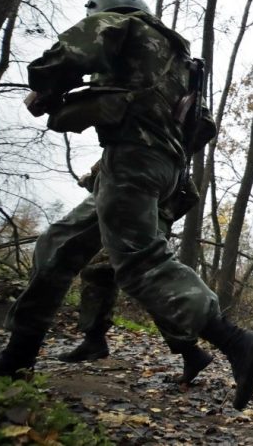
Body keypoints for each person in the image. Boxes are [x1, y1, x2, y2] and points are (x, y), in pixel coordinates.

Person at [0, 0, 253, 411]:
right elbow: (201, 127)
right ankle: (19, 354)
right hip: (159, 166)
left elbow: (68, 55)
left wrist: (46, 85)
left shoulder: (122, 24)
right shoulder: (182, 62)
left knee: (140, 262)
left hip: (133, 159)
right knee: (59, 244)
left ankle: (236, 342)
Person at [56, 164, 214, 386]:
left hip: (138, 223)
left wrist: (162, 214)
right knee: (102, 274)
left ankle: (193, 350)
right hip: (138, 221)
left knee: (138, 281)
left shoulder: (139, 148)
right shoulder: (174, 159)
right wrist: (167, 216)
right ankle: (94, 339)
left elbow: (112, 182)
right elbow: (192, 196)